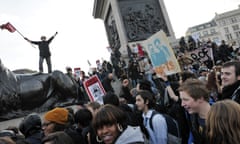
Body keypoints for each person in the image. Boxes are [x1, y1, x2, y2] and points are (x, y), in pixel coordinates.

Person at [178, 79, 211, 144]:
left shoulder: (221, 120)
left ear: (200, 98)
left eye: (186, 99)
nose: (182, 104)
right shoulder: (192, 114)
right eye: (181, 100)